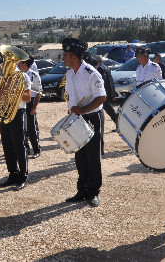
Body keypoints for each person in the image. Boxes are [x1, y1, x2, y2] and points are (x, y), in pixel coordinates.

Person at [62, 38, 106, 207]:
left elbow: (102, 97)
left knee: (92, 157)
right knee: (80, 156)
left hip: (91, 117)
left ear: (74, 57)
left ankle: (93, 192)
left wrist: (83, 109)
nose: (63, 57)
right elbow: (70, 95)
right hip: (76, 118)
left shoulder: (91, 73)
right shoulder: (70, 73)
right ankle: (82, 190)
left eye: (65, 55)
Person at [0, 53, 32, 191]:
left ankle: (23, 176)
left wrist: (13, 90)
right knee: (7, 146)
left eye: (7, 60)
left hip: (17, 112)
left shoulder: (22, 76)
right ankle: (13, 174)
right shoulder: (1, 77)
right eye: (5, 60)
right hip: (4, 112)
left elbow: (27, 98)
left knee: (19, 145)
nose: (5, 62)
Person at [18, 56, 42, 159]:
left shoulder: (34, 75)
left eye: (21, 63)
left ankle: (36, 149)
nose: (19, 64)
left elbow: (39, 93)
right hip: (20, 102)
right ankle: (26, 149)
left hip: (30, 102)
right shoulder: (18, 75)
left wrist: (34, 107)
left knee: (32, 128)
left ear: (25, 64)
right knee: (22, 128)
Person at [95, 55, 118, 128]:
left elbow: (103, 82)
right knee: (110, 111)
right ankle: (119, 124)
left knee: (110, 111)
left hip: (103, 94)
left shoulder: (100, 69)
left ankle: (119, 124)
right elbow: (111, 82)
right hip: (107, 93)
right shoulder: (106, 68)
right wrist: (113, 93)